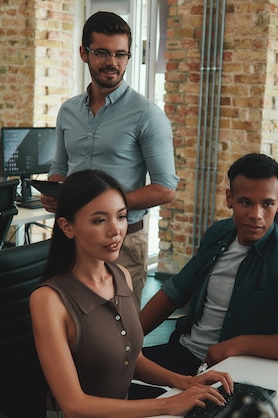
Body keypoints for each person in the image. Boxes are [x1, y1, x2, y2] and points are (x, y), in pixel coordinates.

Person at [30, 169, 233, 418]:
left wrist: (187, 382)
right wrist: (168, 404)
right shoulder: (49, 301)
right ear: (67, 227)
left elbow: (130, 358)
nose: (115, 230)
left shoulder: (121, 276)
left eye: (121, 216)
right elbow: (74, 405)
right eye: (99, 220)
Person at [40, 11, 179, 304]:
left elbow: (165, 188)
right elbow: (59, 168)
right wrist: (56, 190)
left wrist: (102, 209)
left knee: (118, 336)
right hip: (72, 239)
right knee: (71, 322)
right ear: (84, 53)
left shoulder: (146, 115)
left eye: (121, 54)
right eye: (102, 53)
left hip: (123, 241)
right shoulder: (68, 111)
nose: (113, 63)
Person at [140, 153, 278, 376]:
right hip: (183, 354)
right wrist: (126, 341)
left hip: (230, 371)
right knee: (105, 374)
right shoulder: (219, 233)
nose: (256, 215)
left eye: (267, 204)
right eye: (245, 202)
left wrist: (242, 344)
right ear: (229, 199)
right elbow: (174, 293)